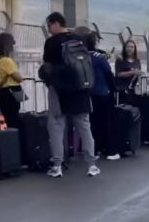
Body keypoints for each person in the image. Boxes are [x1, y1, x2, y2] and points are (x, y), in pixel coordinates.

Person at [40, 12, 100, 178]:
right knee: (84, 126)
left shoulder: (51, 42)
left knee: (56, 125)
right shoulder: (79, 39)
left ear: (56, 24)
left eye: (49, 25)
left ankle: (57, 165)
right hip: (80, 89)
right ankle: (91, 165)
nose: (49, 29)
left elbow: (47, 67)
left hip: (59, 90)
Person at [74, 27, 119, 161]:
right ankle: (111, 151)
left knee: (92, 123)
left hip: (88, 93)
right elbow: (108, 74)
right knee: (107, 122)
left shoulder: (82, 58)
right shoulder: (99, 58)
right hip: (103, 93)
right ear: (95, 43)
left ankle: (95, 149)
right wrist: (114, 89)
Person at [0, 33, 23, 129]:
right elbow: (19, 78)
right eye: (12, 43)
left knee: (2, 120)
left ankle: (5, 139)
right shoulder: (6, 61)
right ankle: (16, 141)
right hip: (9, 94)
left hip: (1, 93)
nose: (14, 45)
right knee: (12, 119)